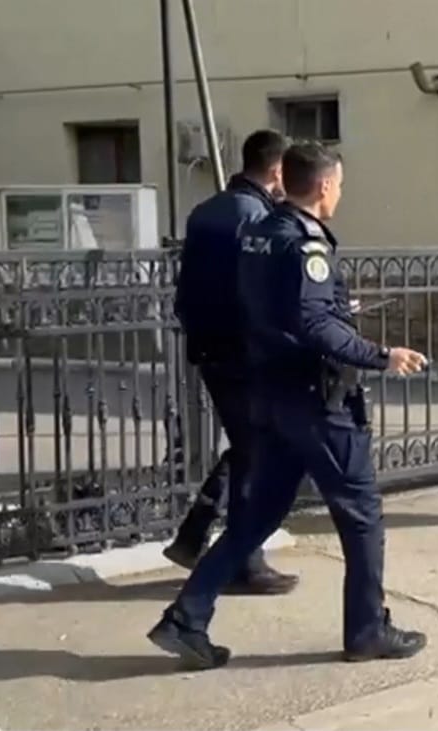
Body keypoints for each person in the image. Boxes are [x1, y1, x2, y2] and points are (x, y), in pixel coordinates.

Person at [148, 142, 430, 669]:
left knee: (258, 515)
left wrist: (325, 312)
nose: (340, 194)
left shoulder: (261, 232)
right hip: (315, 399)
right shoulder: (306, 244)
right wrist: (382, 355)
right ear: (323, 186)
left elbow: (277, 307)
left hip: (268, 394)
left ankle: (186, 618)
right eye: (339, 185)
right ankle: (367, 630)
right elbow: (314, 324)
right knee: (362, 515)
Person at [166, 129, 296, 595]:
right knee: (259, 453)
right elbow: (258, 289)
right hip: (245, 351)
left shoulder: (207, 209)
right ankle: (241, 561)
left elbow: (191, 285)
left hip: (210, 346)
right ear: (277, 170)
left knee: (249, 446)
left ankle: (197, 533)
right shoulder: (257, 216)